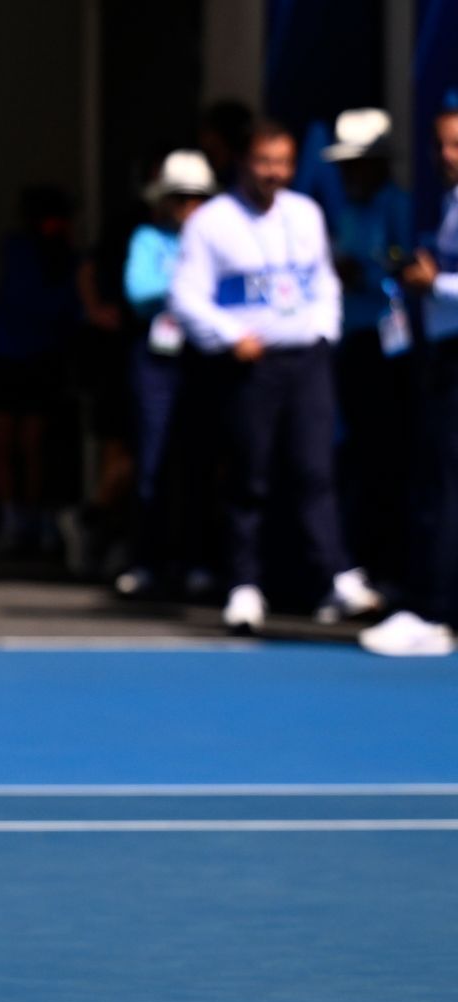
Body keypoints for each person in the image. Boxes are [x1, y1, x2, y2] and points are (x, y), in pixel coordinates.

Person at [169, 120, 381, 634]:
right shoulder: (211, 222)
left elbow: (324, 281)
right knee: (250, 474)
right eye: (265, 162)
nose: (274, 173)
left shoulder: (305, 213)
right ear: (245, 162)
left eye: (283, 163)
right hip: (251, 364)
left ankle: (334, 575)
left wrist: (323, 332)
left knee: (315, 468)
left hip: (304, 360)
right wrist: (228, 335)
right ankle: (243, 584)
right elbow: (186, 296)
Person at [360, 101, 458, 657]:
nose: (447, 156)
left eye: (457, 145)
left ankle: (433, 611)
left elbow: (444, 284)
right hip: (442, 355)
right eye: (441, 144)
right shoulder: (450, 203)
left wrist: (435, 283)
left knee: (442, 489)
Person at [115, 150, 217, 598]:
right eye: (180, 198)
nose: (189, 208)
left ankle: (195, 559)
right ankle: (146, 559)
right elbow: (138, 291)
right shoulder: (148, 239)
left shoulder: (216, 242)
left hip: (201, 359)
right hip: (158, 361)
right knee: (153, 461)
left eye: (196, 198)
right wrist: (188, 287)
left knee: (199, 461)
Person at [322, 109, 416, 595]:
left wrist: (371, 272)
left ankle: (390, 567)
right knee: (353, 457)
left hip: (391, 349)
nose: (350, 174)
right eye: (345, 166)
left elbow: (406, 265)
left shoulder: (398, 206)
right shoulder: (346, 209)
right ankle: (357, 564)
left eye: (358, 164)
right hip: (354, 344)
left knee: (386, 457)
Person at [0, 185, 82, 559]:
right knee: (5, 444)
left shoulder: (67, 258)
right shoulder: (18, 249)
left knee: (33, 446)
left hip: (41, 360)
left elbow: (62, 309)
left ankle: (35, 520)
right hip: (7, 356)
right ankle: (12, 520)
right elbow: (26, 300)